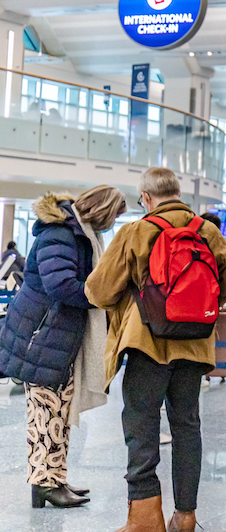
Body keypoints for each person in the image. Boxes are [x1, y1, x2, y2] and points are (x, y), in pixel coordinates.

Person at [85, 168, 226, 532]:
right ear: (177, 193)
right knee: (187, 426)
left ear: (147, 198)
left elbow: (99, 290)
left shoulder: (136, 232)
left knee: (141, 425)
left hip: (147, 345)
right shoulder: (209, 232)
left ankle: (144, 518)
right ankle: (185, 517)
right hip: (195, 346)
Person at [0, 186, 125, 509]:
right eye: (113, 217)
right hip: (42, 336)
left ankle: (54, 479)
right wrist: (101, 296)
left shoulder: (73, 232)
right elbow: (60, 285)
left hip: (54, 335)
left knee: (58, 412)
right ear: (102, 212)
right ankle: (43, 483)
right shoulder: (62, 234)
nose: (111, 224)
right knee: (45, 414)